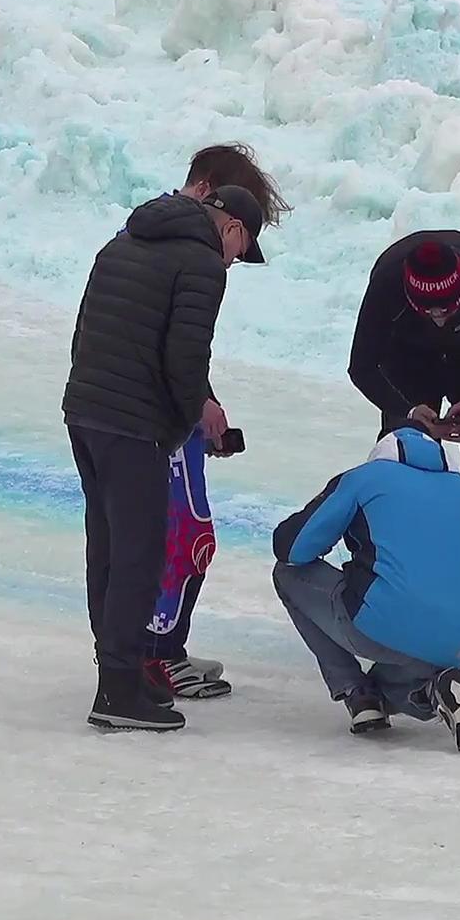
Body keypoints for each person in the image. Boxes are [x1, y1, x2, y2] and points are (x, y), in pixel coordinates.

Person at [64, 177, 273, 732]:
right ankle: (117, 691)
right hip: (132, 426)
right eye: (240, 249)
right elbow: (185, 357)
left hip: (85, 410)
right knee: (140, 553)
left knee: (107, 546)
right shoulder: (201, 264)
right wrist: (191, 422)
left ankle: (121, 675)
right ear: (231, 228)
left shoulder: (124, 241)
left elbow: (85, 331)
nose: (233, 263)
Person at [271, 424, 460, 751]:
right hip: (453, 643)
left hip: (375, 623)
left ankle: (355, 691)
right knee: (396, 689)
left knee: (287, 575)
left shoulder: (365, 479)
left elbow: (292, 549)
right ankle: (434, 689)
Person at [139, 143, 291, 703]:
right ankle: (157, 655)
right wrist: (195, 403)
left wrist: (202, 400)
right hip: (156, 420)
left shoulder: (147, 235)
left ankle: (158, 651)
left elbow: (168, 340)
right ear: (210, 193)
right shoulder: (191, 254)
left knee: (168, 535)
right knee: (186, 537)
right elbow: (173, 348)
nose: (235, 258)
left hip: (149, 413)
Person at [345, 230, 460, 656]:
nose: (439, 316)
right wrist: (408, 409)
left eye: (448, 307)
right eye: (428, 308)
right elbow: (362, 366)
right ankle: (392, 588)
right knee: (398, 477)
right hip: (408, 362)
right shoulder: (389, 282)